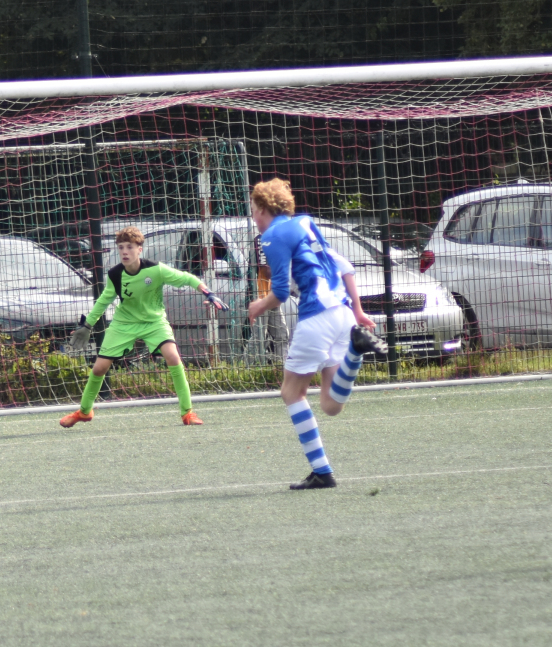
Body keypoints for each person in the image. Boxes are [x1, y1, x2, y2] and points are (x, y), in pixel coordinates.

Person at [244, 179, 385, 490]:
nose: (253, 217)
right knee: (331, 405)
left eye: (253, 211)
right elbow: (344, 266)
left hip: (317, 317)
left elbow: (281, 292)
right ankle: (355, 351)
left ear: (264, 209)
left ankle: (322, 472)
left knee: (291, 393)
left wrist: (258, 305)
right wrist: (358, 311)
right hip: (343, 315)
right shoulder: (306, 223)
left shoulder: (272, 236)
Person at [59, 226, 226, 428]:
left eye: (129, 247)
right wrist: (87, 325)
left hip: (154, 322)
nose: (124, 252)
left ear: (139, 249)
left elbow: (188, 278)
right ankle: (84, 412)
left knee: (173, 357)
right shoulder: (115, 274)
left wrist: (208, 293)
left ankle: (187, 413)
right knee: (99, 368)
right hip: (124, 324)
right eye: (121, 247)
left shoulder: (156, 270)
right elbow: (103, 301)